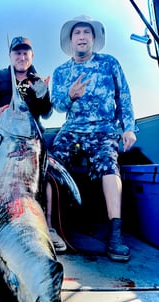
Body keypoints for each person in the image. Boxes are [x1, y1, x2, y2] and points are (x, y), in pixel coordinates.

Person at [50, 15, 138, 261]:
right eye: (77, 33)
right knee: (51, 164)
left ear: (93, 38)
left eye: (86, 33)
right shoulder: (61, 72)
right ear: (71, 39)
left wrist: (128, 128)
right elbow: (57, 104)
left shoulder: (110, 63)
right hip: (73, 128)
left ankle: (116, 234)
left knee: (110, 166)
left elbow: (125, 98)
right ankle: (49, 227)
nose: (81, 37)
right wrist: (70, 95)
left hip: (104, 129)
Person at [0, 36, 67, 252]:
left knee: (47, 173)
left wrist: (43, 94)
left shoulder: (38, 80)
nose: (21, 56)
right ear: (10, 56)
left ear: (32, 55)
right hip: (1, 137)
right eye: (17, 52)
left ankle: (48, 226)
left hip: (32, 140)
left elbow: (46, 113)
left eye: (25, 52)